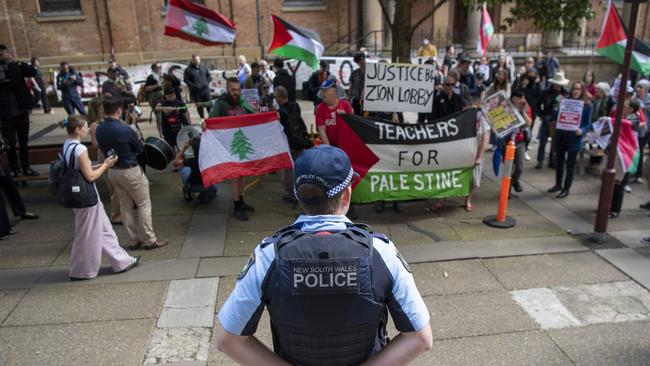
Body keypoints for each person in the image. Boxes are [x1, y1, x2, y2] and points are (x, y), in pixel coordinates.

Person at [215, 145, 432, 366]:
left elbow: (228, 340)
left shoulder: (268, 256)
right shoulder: (380, 252)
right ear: (347, 194)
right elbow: (420, 338)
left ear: (297, 195)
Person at [59, 115, 140, 280]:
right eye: (85, 127)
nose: (88, 129)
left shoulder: (67, 145)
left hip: (79, 194)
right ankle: (81, 270)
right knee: (87, 233)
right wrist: (105, 165)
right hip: (86, 196)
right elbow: (90, 176)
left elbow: (80, 170)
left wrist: (103, 164)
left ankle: (122, 261)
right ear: (77, 129)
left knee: (104, 229)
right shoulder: (80, 149)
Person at [96, 96, 168, 250]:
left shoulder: (100, 128)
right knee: (144, 204)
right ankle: (149, 239)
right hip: (129, 170)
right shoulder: (125, 129)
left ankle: (133, 239)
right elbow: (139, 149)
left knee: (125, 205)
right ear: (118, 110)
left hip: (113, 171)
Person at [209, 77, 257, 221]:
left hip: (242, 143)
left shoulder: (242, 102)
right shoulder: (221, 103)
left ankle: (241, 201)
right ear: (227, 89)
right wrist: (206, 125)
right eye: (233, 90)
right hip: (229, 145)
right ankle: (237, 206)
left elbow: (253, 115)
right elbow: (212, 120)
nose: (236, 93)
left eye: (238, 90)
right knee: (236, 176)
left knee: (242, 175)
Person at [314, 79, 357, 219]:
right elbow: (322, 130)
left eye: (326, 91)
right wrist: (331, 151)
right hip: (332, 148)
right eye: (323, 91)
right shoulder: (320, 109)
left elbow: (354, 126)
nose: (323, 94)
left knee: (348, 177)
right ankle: (333, 207)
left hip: (347, 148)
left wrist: (345, 116)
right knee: (334, 178)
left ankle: (351, 205)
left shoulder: (345, 105)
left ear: (333, 91)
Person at [548, 81, 592, 199]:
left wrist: (582, 130)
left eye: (578, 89)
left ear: (582, 90)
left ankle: (566, 188)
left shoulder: (587, 106)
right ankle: (558, 184)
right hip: (562, 136)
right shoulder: (565, 101)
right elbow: (556, 116)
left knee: (570, 166)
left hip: (575, 138)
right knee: (559, 162)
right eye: (574, 88)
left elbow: (588, 124)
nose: (576, 91)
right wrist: (559, 105)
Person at [0, 44, 39, 177]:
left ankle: (26, 167)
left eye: (3, 54)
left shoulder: (15, 66)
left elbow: (32, 72)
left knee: (24, 142)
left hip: (21, 111)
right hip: (5, 114)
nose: (2, 57)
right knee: (10, 143)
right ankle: (14, 169)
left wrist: (15, 60)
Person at [87, 96, 121, 225]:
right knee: (113, 187)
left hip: (110, 155)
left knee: (116, 185)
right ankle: (116, 215)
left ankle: (119, 212)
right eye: (102, 106)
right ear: (97, 108)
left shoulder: (104, 122)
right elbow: (95, 144)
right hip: (104, 156)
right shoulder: (95, 125)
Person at [275, 86, 311, 203]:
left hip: (289, 143)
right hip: (300, 140)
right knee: (300, 168)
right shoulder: (296, 105)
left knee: (287, 170)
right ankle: (301, 190)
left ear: (279, 97)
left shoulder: (280, 112)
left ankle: (290, 194)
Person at [609, 98, 641, 218]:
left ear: (631, 109)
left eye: (625, 106)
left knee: (619, 182)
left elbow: (627, 124)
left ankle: (614, 210)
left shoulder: (633, 119)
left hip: (628, 154)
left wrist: (610, 120)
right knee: (614, 181)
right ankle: (610, 207)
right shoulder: (625, 117)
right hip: (621, 152)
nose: (622, 107)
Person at [537, 71, 569, 169]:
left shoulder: (566, 93)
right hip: (547, 119)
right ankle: (540, 160)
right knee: (543, 141)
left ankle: (552, 160)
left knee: (555, 142)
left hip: (559, 120)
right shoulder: (546, 92)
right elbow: (537, 104)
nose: (558, 86)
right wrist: (541, 115)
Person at [174, 135, 217, 204]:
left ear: (193, 149)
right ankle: (205, 194)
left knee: (185, 169)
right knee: (214, 190)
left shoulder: (192, 161)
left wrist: (184, 149)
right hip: (207, 184)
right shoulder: (210, 159)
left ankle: (188, 188)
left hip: (195, 186)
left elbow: (176, 161)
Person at [509, 90, 533, 193]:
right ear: (513, 98)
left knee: (519, 167)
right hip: (508, 141)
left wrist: (523, 111)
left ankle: (515, 181)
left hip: (520, 141)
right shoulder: (506, 107)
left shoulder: (526, 107)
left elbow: (529, 123)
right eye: (519, 98)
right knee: (508, 167)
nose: (521, 100)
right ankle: (507, 189)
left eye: (522, 98)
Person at [183, 54, 212, 119]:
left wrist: (207, 82)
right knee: (200, 107)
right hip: (196, 92)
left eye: (199, 59)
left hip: (206, 90)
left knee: (209, 105)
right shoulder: (188, 70)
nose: (198, 61)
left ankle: (212, 119)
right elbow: (186, 80)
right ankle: (202, 120)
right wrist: (194, 86)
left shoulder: (203, 67)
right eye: (196, 60)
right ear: (192, 60)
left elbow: (209, 76)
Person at [633, 79, 650, 184]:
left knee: (640, 150)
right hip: (635, 128)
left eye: (641, 87)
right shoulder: (633, 98)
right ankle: (633, 171)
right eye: (637, 86)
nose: (638, 89)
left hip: (646, 130)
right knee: (635, 151)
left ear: (646, 89)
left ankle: (638, 174)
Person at [144, 62, 165, 137]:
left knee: (165, 115)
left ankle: (165, 131)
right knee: (159, 116)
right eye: (158, 67)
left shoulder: (162, 76)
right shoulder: (151, 77)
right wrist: (156, 85)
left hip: (163, 97)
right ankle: (161, 134)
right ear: (153, 69)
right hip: (155, 98)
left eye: (160, 67)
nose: (160, 69)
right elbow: (147, 89)